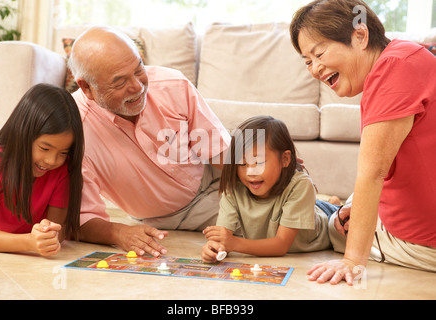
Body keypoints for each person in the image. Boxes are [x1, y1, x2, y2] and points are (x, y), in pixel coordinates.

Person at [290, 0, 436, 285]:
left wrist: (353, 261)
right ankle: (336, 208)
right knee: (350, 206)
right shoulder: (406, 56)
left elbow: (372, 173)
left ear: (360, 36)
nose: (315, 69)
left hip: (421, 241)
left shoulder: (394, 70)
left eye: (319, 53)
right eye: (308, 61)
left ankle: (330, 212)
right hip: (412, 213)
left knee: (329, 228)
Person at [68, 26, 231, 256]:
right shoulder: (74, 130)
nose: (137, 86)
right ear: (86, 87)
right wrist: (119, 233)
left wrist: (268, 172)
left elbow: (219, 149)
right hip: (166, 215)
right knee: (270, 224)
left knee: (283, 196)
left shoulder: (172, 83)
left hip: (214, 173)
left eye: (138, 69)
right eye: (120, 81)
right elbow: (79, 217)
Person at [201, 116, 341, 263]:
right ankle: (328, 201)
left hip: (326, 219)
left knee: (340, 220)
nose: (250, 172)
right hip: (300, 206)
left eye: (259, 162)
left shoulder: (301, 185)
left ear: (285, 159)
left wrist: (234, 243)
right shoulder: (234, 188)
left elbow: (281, 245)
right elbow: (223, 236)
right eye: (242, 164)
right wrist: (214, 248)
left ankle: (333, 204)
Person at [0, 83, 84, 256]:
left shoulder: (62, 170)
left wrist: (50, 235)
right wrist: (29, 242)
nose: (52, 161)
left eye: (63, 152)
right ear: (23, 134)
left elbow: (58, 229)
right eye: (45, 148)